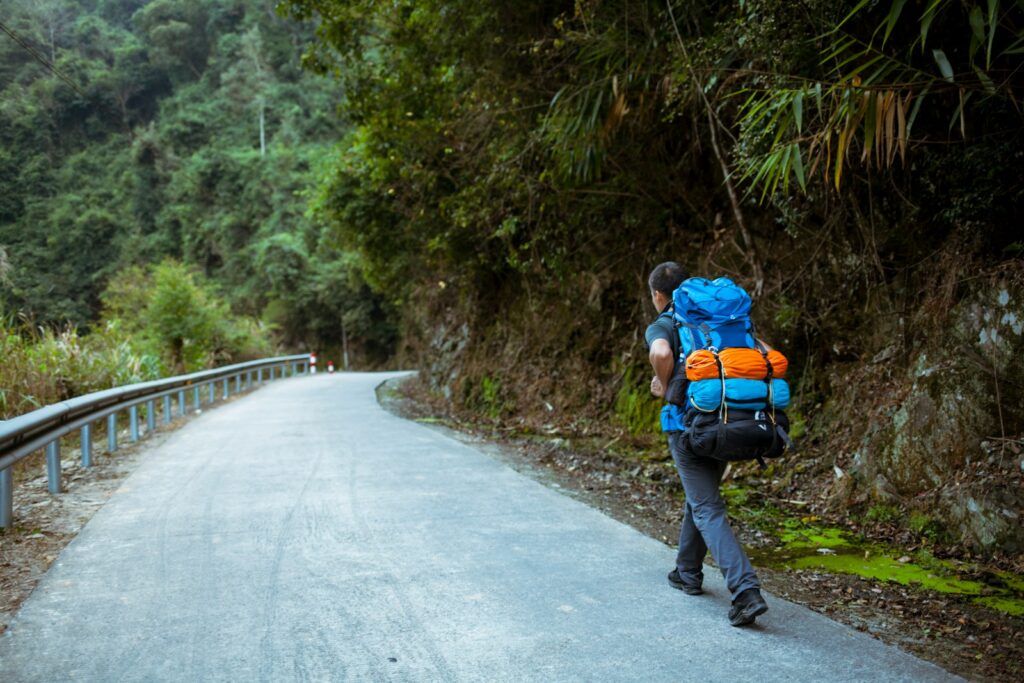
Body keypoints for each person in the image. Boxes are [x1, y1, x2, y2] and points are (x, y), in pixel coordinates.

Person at [644, 261, 769, 627]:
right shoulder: (722, 321)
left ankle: (746, 591)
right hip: (734, 419)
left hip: (690, 427)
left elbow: (661, 354)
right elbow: (764, 352)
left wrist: (664, 386)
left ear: (657, 294)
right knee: (699, 498)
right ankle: (687, 572)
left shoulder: (665, 322)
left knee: (706, 506)